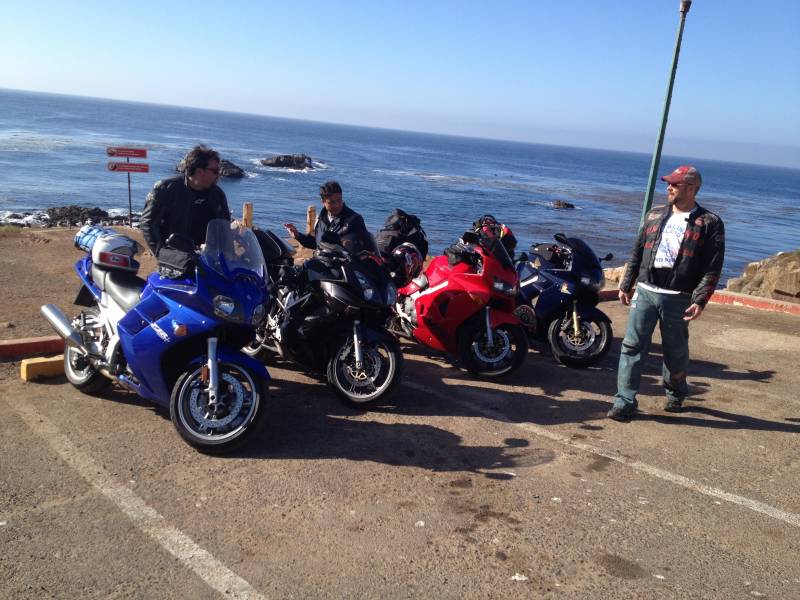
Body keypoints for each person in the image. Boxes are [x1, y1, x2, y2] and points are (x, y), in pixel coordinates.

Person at [608, 165, 725, 421]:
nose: (669, 188)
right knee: (632, 347)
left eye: (675, 184)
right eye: (668, 183)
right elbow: (637, 251)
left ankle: (676, 392)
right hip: (646, 290)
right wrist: (627, 283)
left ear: (692, 188)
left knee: (675, 351)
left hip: (678, 296)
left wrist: (700, 300)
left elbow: (712, 267)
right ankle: (624, 401)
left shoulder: (709, 223)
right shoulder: (654, 215)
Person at [140, 145, 231, 255]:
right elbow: (148, 224)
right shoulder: (166, 189)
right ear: (199, 171)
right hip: (174, 257)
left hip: (208, 258)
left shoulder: (217, 195)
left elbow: (225, 228)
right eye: (215, 171)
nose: (219, 174)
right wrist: (160, 252)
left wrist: (229, 253)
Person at [283, 181, 372, 254]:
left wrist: (345, 244)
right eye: (331, 202)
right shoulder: (321, 219)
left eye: (339, 200)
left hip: (343, 268)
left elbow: (365, 250)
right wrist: (298, 236)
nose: (337, 205)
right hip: (322, 263)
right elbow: (317, 244)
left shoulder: (354, 220)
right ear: (323, 201)